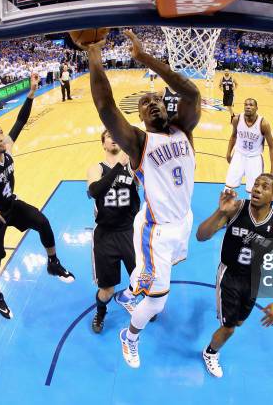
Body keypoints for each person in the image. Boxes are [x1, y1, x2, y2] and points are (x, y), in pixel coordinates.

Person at [84, 30, 200, 368]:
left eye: (156, 100)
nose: (151, 104)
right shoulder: (138, 143)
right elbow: (106, 108)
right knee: (159, 301)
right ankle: (130, 337)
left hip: (183, 221)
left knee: (147, 284)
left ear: (166, 106)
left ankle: (136, 287)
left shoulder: (184, 129)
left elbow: (190, 91)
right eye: (144, 104)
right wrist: (94, 55)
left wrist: (146, 59)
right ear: (139, 118)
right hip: (155, 230)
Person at [0, 73, 75, 320]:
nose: (0, 138)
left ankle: (53, 262)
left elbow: (21, 120)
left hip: (11, 205)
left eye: (0, 134)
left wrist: (31, 92)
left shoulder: (6, 149)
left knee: (42, 222)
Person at [196, 174, 273, 378]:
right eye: (255, 184)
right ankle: (210, 352)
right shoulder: (236, 208)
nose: (257, 189)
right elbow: (201, 236)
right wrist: (220, 212)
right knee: (228, 329)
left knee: (239, 322)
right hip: (229, 275)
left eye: (265, 186)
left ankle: (226, 321)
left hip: (253, 278)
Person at [86, 129, 140, 333]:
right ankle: (100, 312)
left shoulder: (132, 168)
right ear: (103, 144)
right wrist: (119, 166)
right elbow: (94, 191)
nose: (114, 137)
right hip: (105, 235)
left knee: (142, 280)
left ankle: (145, 308)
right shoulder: (96, 169)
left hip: (130, 231)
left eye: (116, 135)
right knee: (107, 290)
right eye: (109, 135)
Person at [225, 98, 273, 195]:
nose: (248, 107)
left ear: (256, 108)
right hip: (238, 155)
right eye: (246, 104)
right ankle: (226, 209)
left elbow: (272, 147)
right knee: (228, 187)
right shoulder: (237, 119)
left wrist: (272, 170)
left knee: (254, 191)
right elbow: (233, 136)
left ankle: (252, 209)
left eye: (251, 105)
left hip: (254, 158)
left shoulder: (263, 124)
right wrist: (228, 153)